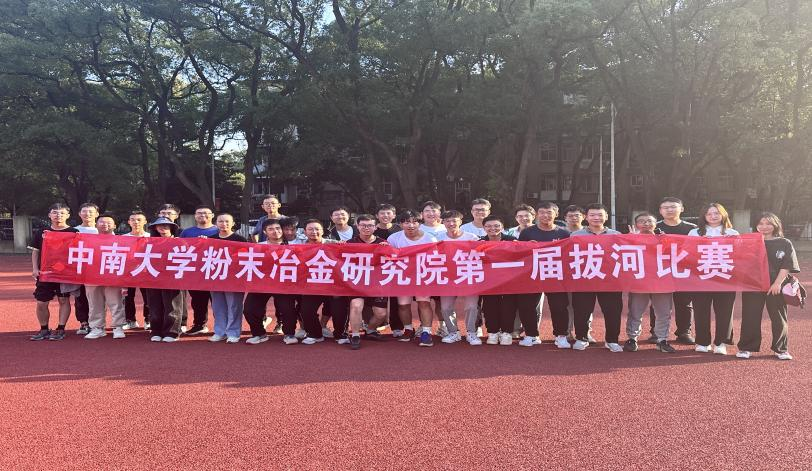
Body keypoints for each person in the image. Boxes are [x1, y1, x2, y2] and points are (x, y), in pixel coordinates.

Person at [737, 213, 798, 360]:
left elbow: (787, 265)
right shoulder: (748, 242)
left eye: (768, 223)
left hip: (776, 286)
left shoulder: (784, 243)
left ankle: (781, 349)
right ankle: (746, 348)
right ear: (756, 225)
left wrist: (777, 283)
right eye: (761, 223)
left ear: (776, 225)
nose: (764, 227)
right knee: (750, 316)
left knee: (779, 317)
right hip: (752, 285)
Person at [516, 202, 571, 347]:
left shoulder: (564, 233)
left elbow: (568, 254)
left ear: (556, 214)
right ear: (536, 214)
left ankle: (561, 335)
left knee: (559, 306)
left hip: (555, 274)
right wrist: (528, 247)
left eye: (549, 212)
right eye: (542, 212)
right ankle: (531, 335)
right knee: (527, 305)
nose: (545, 215)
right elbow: (519, 253)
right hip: (532, 274)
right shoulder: (527, 232)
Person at [570, 203, 624, 352]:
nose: (596, 218)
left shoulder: (616, 235)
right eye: (592, 215)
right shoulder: (576, 235)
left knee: (612, 311)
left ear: (606, 216)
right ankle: (581, 338)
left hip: (610, 280)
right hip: (584, 279)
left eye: (600, 215)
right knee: (581, 310)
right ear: (586, 217)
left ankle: (612, 340)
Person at [688, 203, 739, 355]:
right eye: (709, 214)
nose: (713, 216)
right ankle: (702, 342)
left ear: (723, 214)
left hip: (725, 278)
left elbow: (740, 255)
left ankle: (721, 343)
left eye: (716, 213)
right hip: (701, 277)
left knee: (725, 311)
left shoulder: (732, 232)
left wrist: (732, 242)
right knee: (701, 310)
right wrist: (700, 243)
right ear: (704, 216)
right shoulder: (694, 232)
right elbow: (687, 253)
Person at [623, 213, 676, 353]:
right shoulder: (628, 240)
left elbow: (676, 255)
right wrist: (631, 240)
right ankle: (632, 339)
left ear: (655, 223)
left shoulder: (664, 239)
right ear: (636, 224)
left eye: (649, 221)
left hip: (662, 282)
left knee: (663, 313)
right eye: (642, 221)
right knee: (635, 311)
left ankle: (662, 340)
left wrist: (666, 242)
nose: (646, 224)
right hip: (639, 282)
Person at [28, 203, 79, 341]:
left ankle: (61, 329)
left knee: (64, 299)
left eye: (62, 213)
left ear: (68, 215)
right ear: (49, 215)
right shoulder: (42, 232)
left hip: (65, 273)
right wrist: (35, 268)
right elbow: (36, 251)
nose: (58, 215)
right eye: (55, 212)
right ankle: (44, 329)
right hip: (45, 273)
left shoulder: (74, 232)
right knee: (41, 302)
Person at [387, 210, 438, 346]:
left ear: (419, 223)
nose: (411, 225)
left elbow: (434, 259)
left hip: (422, 276)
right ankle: (408, 329)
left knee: (424, 303)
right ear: (400, 224)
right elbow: (389, 257)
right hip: (402, 277)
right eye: (406, 222)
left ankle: (426, 332)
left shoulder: (430, 239)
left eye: (414, 222)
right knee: (403, 305)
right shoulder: (393, 238)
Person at [242, 218, 298, 345]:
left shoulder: (293, 245)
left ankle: (289, 334)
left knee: (288, 309)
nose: (275, 231)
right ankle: (259, 334)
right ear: (264, 231)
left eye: (278, 228)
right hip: (262, 283)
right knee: (249, 309)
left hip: (284, 283)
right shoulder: (258, 247)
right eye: (271, 229)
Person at [652, 197, 697, 344]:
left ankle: (684, 332)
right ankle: (655, 332)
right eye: (666, 207)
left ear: (681, 209)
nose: (669, 210)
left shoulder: (692, 229)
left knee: (684, 302)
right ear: (660, 211)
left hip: (684, 271)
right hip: (660, 270)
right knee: (658, 303)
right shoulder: (653, 227)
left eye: (673, 207)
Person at [298, 219, 347, 345]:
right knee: (306, 309)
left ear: (322, 231)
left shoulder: (335, 244)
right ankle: (315, 334)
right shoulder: (299, 246)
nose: (314, 232)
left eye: (317, 229)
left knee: (340, 309)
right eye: (310, 229)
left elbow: (353, 253)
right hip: (312, 285)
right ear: (305, 232)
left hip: (334, 285)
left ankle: (340, 334)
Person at [436, 210, 481, 345]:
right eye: (447, 221)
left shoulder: (472, 237)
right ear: (443, 223)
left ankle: (471, 332)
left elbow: (481, 255)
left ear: (460, 222)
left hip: (468, 276)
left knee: (471, 306)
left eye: (454, 221)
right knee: (445, 307)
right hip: (447, 278)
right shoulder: (438, 238)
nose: (451, 223)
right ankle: (453, 332)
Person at [346, 214, 389, 350]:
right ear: (357, 226)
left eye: (370, 225)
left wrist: (387, 250)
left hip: (377, 283)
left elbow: (392, 261)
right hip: (357, 282)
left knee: (381, 314)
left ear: (375, 227)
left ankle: (370, 330)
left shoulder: (383, 243)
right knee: (356, 305)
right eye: (363, 225)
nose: (366, 228)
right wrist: (339, 247)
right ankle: (355, 335)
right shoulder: (349, 243)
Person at [83, 213, 127, 340]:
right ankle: (97, 328)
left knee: (116, 302)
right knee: (94, 303)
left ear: (115, 225)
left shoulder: (122, 241)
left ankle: (118, 327)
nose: (105, 224)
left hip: (113, 276)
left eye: (108, 222)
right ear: (96, 225)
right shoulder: (88, 240)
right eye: (101, 222)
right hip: (92, 276)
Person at [479, 216, 520, 346]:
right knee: (489, 306)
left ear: (502, 227)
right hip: (488, 282)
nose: (493, 228)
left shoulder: (512, 240)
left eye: (496, 226)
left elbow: (522, 255)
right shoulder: (479, 242)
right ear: (484, 228)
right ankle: (493, 332)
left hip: (509, 280)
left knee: (508, 305)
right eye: (489, 226)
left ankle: (507, 332)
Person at [208, 213, 247, 344]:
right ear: (216, 223)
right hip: (216, 277)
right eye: (220, 221)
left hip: (234, 279)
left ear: (233, 223)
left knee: (234, 305)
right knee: (218, 306)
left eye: (227, 221)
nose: (223, 224)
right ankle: (220, 332)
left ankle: (233, 332)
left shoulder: (240, 239)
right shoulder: (210, 239)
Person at [180, 205, 219, 336]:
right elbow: (180, 248)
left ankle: (221, 325)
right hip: (195, 272)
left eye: (206, 213)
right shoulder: (187, 232)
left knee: (218, 301)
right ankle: (199, 325)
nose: (203, 215)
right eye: (199, 213)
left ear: (212, 215)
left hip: (215, 271)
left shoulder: (219, 230)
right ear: (195, 216)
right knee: (197, 300)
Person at [146, 217, 183, 342]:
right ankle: (156, 331)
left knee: (172, 305)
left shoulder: (180, 242)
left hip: (173, 278)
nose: (163, 227)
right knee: (154, 305)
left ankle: (172, 332)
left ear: (172, 227)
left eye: (166, 225)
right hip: (153, 278)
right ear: (155, 228)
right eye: (160, 225)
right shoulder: (148, 242)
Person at [562, 205, 595, 342]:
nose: (574, 218)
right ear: (565, 218)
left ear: (583, 217)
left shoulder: (590, 232)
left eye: (577, 215)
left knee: (586, 306)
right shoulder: (561, 233)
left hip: (587, 274)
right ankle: (568, 331)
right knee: (568, 305)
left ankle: (586, 332)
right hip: (566, 274)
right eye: (570, 216)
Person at [372, 203, 403, 336]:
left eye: (388, 213)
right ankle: (377, 323)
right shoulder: (372, 229)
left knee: (396, 299)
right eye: (382, 213)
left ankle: (397, 326)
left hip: (397, 268)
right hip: (376, 269)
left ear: (394, 215)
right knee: (377, 298)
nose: (385, 216)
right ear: (377, 216)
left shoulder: (399, 229)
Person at [71, 202, 99, 335]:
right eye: (84, 211)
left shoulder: (102, 229)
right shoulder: (73, 231)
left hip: (98, 268)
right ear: (79, 214)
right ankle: (84, 322)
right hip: (80, 268)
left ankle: (97, 323)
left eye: (91, 211)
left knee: (98, 297)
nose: (87, 214)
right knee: (81, 296)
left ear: (97, 214)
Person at [122, 210, 150, 330]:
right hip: (128, 272)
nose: (136, 222)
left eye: (139, 220)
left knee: (148, 297)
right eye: (133, 220)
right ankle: (130, 320)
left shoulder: (151, 237)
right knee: (128, 297)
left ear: (145, 221)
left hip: (146, 271)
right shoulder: (123, 238)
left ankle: (148, 319)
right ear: (129, 222)